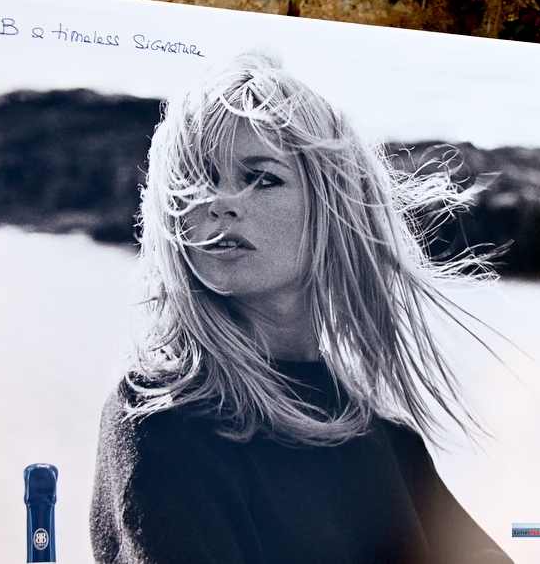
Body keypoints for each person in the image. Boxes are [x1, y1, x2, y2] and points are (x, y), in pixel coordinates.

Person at [90, 51, 514, 564]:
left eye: (263, 178)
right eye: (199, 178)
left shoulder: (382, 434)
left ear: (332, 205)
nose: (220, 202)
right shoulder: (160, 420)